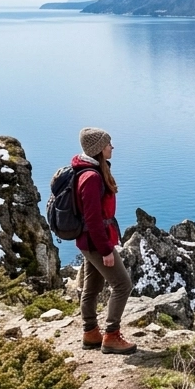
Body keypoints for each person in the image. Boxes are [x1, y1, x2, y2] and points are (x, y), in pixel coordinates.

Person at [74, 127, 136, 354]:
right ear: (99, 149)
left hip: (87, 241)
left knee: (92, 286)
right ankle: (111, 336)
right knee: (122, 285)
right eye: (109, 143)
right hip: (95, 241)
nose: (112, 147)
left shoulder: (88, 170)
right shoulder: (91, 177)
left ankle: (90, 333)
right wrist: (106, 250)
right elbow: (93, 219)